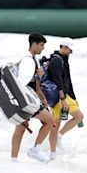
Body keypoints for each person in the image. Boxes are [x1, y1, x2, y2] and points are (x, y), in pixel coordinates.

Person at [11, 32, 54, 163]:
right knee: (49, 121)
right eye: (41, 45)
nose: (43, 48)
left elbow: (33, 85)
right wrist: (37, 75)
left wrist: (43, 99)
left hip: (25, 98)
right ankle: (35, 149)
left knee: (21, 127)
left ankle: (13, 160)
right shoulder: (28, 60)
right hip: (26, 98)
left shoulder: (31, 59)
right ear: (34, 44)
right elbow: (22, 81)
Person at [48, 38, 84, 159]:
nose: (71, 52)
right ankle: (52, 153)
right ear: (63, 47)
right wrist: (63, 99)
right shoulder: (56, 60)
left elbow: (68, 80)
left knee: (78, 117)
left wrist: (74, 98)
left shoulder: (64, 60)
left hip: (65, 95)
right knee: (56, 123)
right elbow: (57, 80)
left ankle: (59, 137)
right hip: (58, 96)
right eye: (70, 49)